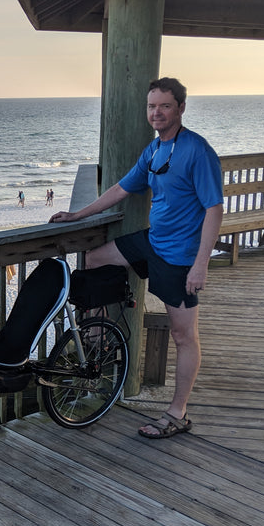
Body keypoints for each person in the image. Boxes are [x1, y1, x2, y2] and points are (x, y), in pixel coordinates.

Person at [50, 77, 223, 439]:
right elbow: (121, 188)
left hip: (180, 257)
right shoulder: (155, 149)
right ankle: (98, 336)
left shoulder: (197, 151)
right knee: (96, 258)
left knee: (183, 335)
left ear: (180, 108)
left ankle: (177, 413)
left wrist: (201, 264)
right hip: (153, 241)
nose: (156, 112)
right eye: (151, 106)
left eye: (164, 105)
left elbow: (214, 209)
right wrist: (79, 215)